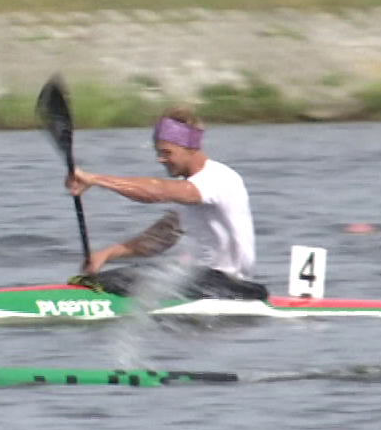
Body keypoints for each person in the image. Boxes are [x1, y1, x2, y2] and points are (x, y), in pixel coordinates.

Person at [65, 108, 267, 300]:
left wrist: (94, 179)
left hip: (228, 285)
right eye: (157, 152)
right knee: (110, 280)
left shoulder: (218, 178)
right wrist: (106, 254)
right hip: (201, 281)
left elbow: (158, 191)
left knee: (115, 282)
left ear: (190, 148)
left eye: (166, 152)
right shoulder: (188, 187)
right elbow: (160, 238)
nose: (160, 159)